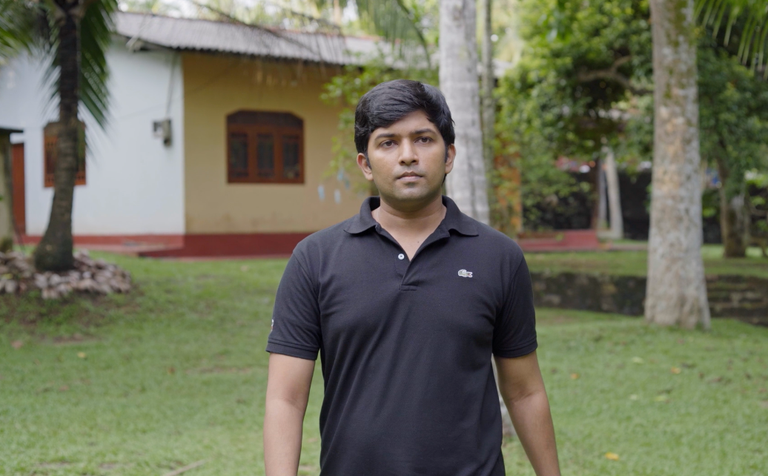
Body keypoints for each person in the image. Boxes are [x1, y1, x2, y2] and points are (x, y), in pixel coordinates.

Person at [263, 79, 560, 476]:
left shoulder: (498, 257)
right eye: (388, 143)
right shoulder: (315, 259)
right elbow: (285, 398)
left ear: (449, 155)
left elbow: (524, 391)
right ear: (365, 164)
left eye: (423, 139)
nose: (407, 156)